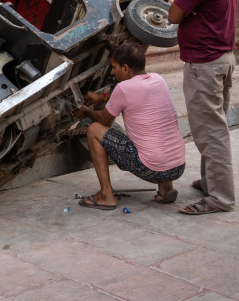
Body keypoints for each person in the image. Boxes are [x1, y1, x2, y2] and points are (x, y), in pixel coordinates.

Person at [168, 0, 238, 215]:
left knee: (211, 133)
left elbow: (173, 15)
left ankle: (220, 197)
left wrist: (188, 14)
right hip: (222, 59)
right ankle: (212, 183)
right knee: (213, 127)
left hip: (205, 64)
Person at [76, 42, 185, 210]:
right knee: (157, 137)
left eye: (114, 67)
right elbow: (126, 94)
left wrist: (87, 111)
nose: (113, 72)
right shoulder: (158, 79)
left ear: (125, 68)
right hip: (178, 166)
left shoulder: (123, 88)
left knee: (93, 130)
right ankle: (165, 189)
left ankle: (106, 195)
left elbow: (103, 120)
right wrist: (101, 97)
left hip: (151, 168)